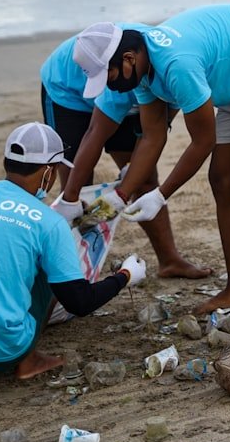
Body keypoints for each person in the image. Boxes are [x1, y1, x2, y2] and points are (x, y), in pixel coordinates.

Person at [73, 4, 230, 315]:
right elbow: (152, 135)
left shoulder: (176, 64)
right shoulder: (143, 69)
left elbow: (203, 141)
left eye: (110, 76)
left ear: (129, 58)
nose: (109, 85)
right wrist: (121, 196)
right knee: (222, 181)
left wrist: (160, 195)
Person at [0, 122, 145, 385]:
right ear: (48, 173)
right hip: (1, 354)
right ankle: (28, 361)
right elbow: (79, 302)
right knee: (49, 268)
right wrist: (125, 276)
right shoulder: (48, 223)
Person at [40, 27, 211, 279]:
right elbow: (95, 134)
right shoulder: (115, 81)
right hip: (68, 91)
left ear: (131, 59)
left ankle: (169, 260)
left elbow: (156, 128)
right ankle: (74, 272)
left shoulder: (160, 68)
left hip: (123, 79)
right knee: (76, 185)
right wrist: (70, 198)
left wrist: (129, 182)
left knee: (143, 177)